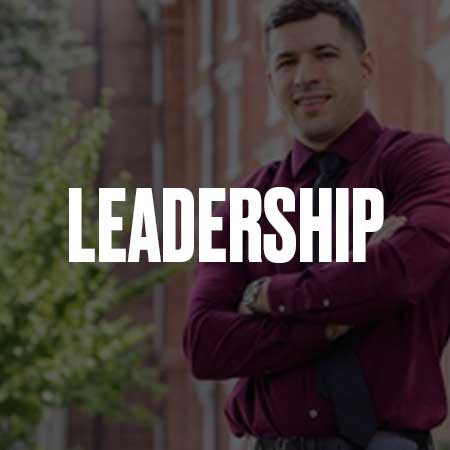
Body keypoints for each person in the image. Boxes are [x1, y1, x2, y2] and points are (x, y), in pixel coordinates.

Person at [183, 1, 450, 449]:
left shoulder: (420, 165)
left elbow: (404, 272)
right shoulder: (248, 200)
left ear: (364, 67)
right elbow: (205, 344)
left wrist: (268, 294)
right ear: (270, 81)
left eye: (324, 54)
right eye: (287, 61)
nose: (305, 76)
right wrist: (331, 321)